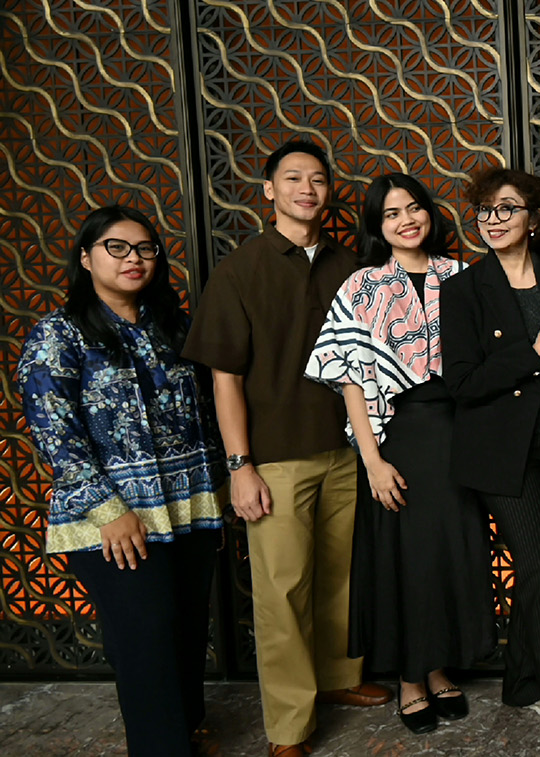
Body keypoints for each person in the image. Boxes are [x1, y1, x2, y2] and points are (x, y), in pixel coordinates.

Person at [181, 139, 391, 757]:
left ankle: (339, 678)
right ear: (269, 190)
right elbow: (224, 378)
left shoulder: (352, 266)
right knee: (282, 591)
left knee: (340, 578)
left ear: (329, 192)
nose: (307, 189)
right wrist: (240, 466)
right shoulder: (240, 269)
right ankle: (290, 726)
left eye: (318, 179)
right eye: (294, 178)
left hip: (346, 451)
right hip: (274, 457)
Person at [17, 206, 225, 757]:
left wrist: (222, 489)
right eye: (117, 247)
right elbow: (54, 431)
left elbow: (205, 413)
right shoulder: (59, 334)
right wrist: (109, 511)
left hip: (190, 507)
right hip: (113, 518)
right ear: (86, 258)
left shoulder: (173, 327)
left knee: (185, 630)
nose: (134, 259)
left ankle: (186, 731)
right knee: (144, 637)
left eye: (145, 248)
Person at [305, 173, 494, 735]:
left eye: (414, 208)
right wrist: (372, 460)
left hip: (459, 432)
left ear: (429, 213)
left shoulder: (461, 276)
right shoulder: (361, 286)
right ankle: (411, 678)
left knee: (449, 554)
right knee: (406, 560)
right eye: (391, 214)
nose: (406, 220)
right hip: (398, 437)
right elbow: (350, 378)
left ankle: (438, 668)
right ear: (377, 226)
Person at [438, 167, 540, 757]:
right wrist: (533, 352)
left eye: (506, 208)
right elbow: (462, 383)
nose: (493, 220)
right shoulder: (463, 290)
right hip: (503, 458)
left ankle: (519, 681)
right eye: (484, 211)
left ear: (534, 217)